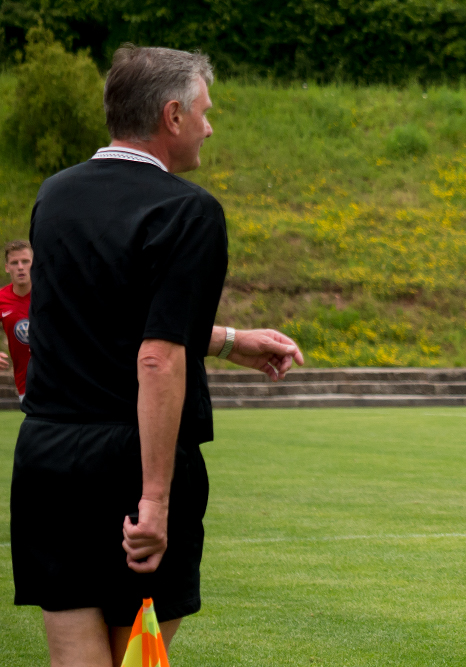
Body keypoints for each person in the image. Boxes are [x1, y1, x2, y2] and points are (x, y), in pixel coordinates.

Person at [10, 45, 304, 667]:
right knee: (136, 664)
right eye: (204, 110)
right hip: (129, 462)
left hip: (48, 459)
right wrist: (156, 499)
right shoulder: (187, 210)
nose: (210, 125)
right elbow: (156, 358)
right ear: (172, 116)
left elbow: (101, 320)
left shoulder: (55, 196)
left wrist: (227, 340)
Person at [0, 240, 33, 400]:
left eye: (25, 261)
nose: (20, 267)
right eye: (14, 262)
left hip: (58, 380)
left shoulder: (50, 294)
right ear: (7, 267)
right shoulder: (2, 299)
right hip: (26, 385)